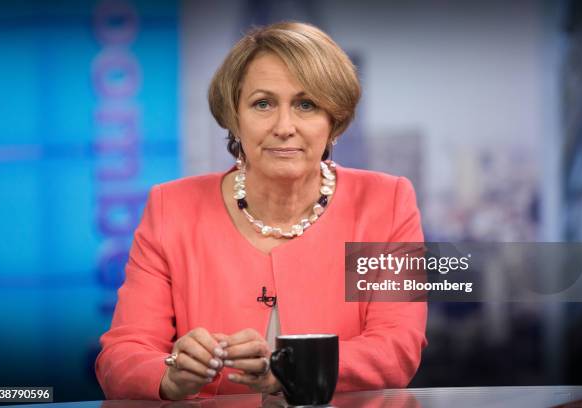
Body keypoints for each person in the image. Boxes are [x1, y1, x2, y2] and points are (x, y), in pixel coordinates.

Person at [95, 21, 427, 401]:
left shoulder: (386, 202)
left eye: (307, 105)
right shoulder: (172, 208)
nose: (284, 127)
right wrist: (169, 376)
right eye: (263, 103)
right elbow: (121, 354)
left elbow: (396, 348)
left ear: (333, 120)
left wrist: (292, 367)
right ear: (234, 117)